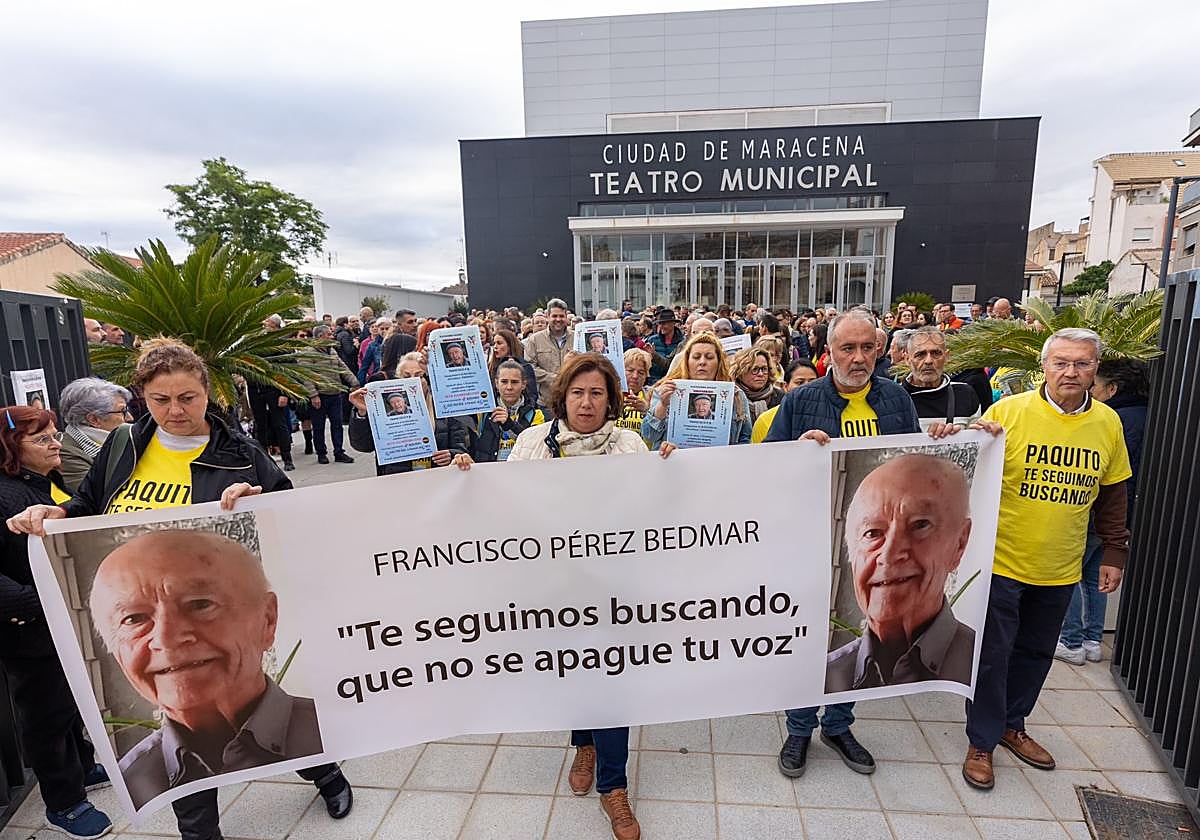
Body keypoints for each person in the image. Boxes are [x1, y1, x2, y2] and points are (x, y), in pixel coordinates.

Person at [5, 339, 353, 840]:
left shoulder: (241, 454)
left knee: (260, 705)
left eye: (187, 398)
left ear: (208, 394)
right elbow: (85, 510)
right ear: (142, 398)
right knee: (185, 726)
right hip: (155, 612)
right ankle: (198, 830)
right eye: (160, 400)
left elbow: (290, 518)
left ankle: (324, 771)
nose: (175, 411)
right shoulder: (123, 447)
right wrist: (53, 515)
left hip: (215, 608)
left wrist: (256, 501)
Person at [765, 310, 948, 783]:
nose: (859, 357)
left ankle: (840, 725)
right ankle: (800, 728)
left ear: (880, 350)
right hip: (812, 539)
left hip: (874, 547)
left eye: (868, 347)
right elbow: (766, 465)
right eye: (848, 348)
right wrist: (798, 450)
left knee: (858, 631)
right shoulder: (802, 400)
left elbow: (912, 463)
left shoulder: (894, 399)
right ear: (830, 351)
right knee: (809, 636)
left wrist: (949, 439)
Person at [962, 328, 1131, 793]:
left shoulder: (1108, 424)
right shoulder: (1008, 412)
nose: (1070, 372)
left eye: (1081, 363)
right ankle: (982, 740)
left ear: (1096, 369)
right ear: (1044, 366)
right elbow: (966, 470)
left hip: (1061, 565)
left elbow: (1114, 492)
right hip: (1001, 561)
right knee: (992, 655)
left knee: (1036, 652)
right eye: (1060, 362)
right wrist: (971, 436)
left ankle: (1013, 723)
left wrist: (1114, 551)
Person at [502, 353, 645, 840]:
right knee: (576, 673)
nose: (587, 402)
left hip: (614, 587)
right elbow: (504, 506)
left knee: (611, 682)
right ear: (563, 395)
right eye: (579, 392)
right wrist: (466, 476)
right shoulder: (531, 444)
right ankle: (583, 743)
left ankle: (613, 785)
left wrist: (668, 468)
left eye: (597, 393)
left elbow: (653, 510)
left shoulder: (629, 445)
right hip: (554, 588)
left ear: (612, 400)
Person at [89, 531, 324, 809]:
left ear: (267, 620)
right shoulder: (136, 779)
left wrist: (255, 488)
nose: (166, 639)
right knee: (194, 813)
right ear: (117, 653)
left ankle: (327, 777)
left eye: (200, 604)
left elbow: (280, 490)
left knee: (316, 757)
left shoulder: (328, 726)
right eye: (134, 619)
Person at [0, 405, 113, 839]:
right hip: (27, 629)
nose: (56, 444)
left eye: (55, 434)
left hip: (55, 616)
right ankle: (64, 803)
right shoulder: (5, 494)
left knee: (68, 701)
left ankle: (81, 765)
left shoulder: (39, 482)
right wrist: (39, 602)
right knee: (45, 714)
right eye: (42, 438)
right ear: (12, 446)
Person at [826, 454, 976, 692]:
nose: (890, 553)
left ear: (960, 542)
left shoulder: (979, 663)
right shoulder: (830, 675)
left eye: (919, 525)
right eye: (873, 533)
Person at [1056, 357, 1149, 665]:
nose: (1090, 391)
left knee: (1068, 574)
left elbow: (1115, 476)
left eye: (1094, 385)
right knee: (1096, 578)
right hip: (1120, 516)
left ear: (1112, 388)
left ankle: (1070, 640)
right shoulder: (1147, 415)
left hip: (1095, 512)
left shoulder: (1110, 421)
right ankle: (1092, 640)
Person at [348, 354, 472, 474]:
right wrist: (363, 412)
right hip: (397, 480)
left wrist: (451, 454)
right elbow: (363, 446)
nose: (413, 380)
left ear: (428, 378)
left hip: (437, 478)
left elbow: (461, 445)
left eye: (419, 375)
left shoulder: (445, 406)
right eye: (406, 376)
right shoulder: (383, 410)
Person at [643, 333, 752, 449]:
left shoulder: (736, 395)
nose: (702, 362)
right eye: (696, 357)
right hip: (674, 463)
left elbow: (745, 439)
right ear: (687, 361)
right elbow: (649, 436)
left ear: (719, 362)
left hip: (720, 464)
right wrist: (663, 405)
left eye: (709, 357)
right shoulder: (667, 390)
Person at [56, 378, 133, 492]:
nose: (130, 418)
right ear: (94, 420)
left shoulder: (122, 439)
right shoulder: (66, 453)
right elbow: (99, 495)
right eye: (122, 411)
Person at [901, 327, 982, 429]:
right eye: (920, 354)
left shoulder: (965, 395)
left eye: (936, 353)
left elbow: (976, 439)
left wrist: (990, 433)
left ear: (947, 356)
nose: (928, 361)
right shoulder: (893, 397)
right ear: (907, 359)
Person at [304, 324, 358, 465]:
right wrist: (313, 395)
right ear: (321, 336)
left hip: (335, 394)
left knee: (337, 424)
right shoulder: (308, 352)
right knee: (319, 427)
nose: (332, 336)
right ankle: (321, 453)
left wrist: (355, 383)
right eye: (329, 334)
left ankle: (339, 452)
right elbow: (306, 376)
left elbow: (343, 367)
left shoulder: (332, 351)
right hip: (320, 396)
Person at [473, 359, 546, 462]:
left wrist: (509, 424)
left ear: (524, 384)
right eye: (504, 381)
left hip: (521, 472)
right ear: (496, 383)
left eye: (515, 382)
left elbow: (535, 446)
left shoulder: (535, 414)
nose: (509, 387)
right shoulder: (483, 412)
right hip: (489, 473)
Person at [750, 359, 818, 443]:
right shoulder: (765, 420)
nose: (807, 387)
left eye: (812, 381)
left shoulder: (829, 412)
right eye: (800, 382)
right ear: (785, 386)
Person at [524, 298, 574, 406]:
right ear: (548, 317)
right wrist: (553, 378)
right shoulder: (535, 339)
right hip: (547, 402)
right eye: (554, 316)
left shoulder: (577, 337)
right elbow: (529, 367)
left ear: (566, 317)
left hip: (573, 401)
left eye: (561, 316)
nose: (558, 319)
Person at [729, 345, 782, 423]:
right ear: (740, 372)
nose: (760, 374)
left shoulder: (780, 397)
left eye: (764, 369)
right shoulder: (732, 398)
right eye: (755, 369)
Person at [489, 328, 539, 407]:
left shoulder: (525, 367)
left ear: (509, 345)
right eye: (494, 343)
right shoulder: (491, 368)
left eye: (499, 343)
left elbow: (532, 395)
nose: (495, 347)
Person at [644, 308, 686, 382]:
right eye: (660, 323)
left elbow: (673, 365)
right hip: (652, 382)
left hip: (672, 382)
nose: (661, 326)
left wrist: (654, 354)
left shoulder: (682, 343)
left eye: (664, 323)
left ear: (673, 323)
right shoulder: (652, 340)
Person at [380, 309, 419, 377]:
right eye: (410, 322)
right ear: (399, 325)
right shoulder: (398, 340)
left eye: (415, 321)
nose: (415, 325)